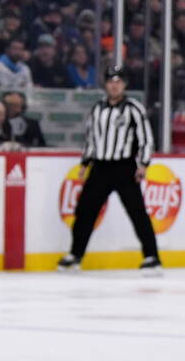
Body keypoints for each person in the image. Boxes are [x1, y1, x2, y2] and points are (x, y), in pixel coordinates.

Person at [58, 67, 160, 272]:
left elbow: (146, 139)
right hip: (100, 167)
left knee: (137, 212)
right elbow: (91, 138)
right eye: (111, 81)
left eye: (119, 81)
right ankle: (75, 254)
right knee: (85, 211)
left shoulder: (134, 108)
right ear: (105, 84)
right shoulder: (97, 109)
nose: (114, 85)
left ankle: (151, 256)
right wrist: (85, 163)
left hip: (124, 167)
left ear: (124, 84)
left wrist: (143, 164)